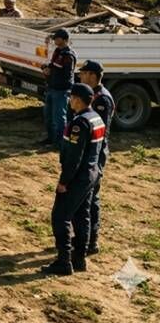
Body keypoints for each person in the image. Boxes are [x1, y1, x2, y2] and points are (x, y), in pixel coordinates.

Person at [42, 83, 106, 276]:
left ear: (77, 99)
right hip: (92, 174)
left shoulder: (79, 123)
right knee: (82, 215)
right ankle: (79, 258)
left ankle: (63, 261)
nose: (70, 101)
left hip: (78, 177)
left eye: (71, 98)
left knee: (60, 216)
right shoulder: (96, 118)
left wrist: (64, 181)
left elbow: (74, 157)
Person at [77, 61, 114, 255]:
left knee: (91, 198)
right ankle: (84, 236)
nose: (80, 76)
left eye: (83, 73)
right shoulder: (94, 95)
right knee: (84, 198)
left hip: (96, 154)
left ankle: (91, 240)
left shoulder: (101, 99)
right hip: (90, 152)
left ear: (92, 75)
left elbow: (100, 131)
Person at [40, 29, 77, 148]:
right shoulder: (58, 51)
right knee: (49, 116)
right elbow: (53, 64)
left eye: (57, 38)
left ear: (64, 39)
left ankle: (59, 142)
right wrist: (46, 68)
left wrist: (52, 71)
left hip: (61, 90)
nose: (55, 40)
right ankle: (50, 139)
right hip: (52, 88)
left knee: (59, 118)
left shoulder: (68, 55)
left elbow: (67, 74)